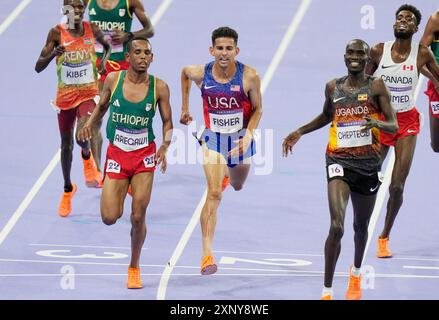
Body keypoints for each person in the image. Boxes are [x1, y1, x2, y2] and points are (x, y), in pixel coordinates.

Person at [283, 39, 398, 300]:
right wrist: (299, 131)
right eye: (350, 52)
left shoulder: (377, 86)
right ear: (344, 56)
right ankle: (327, 291)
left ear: (367, 57)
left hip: (368, 165)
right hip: (338, 161)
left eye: (360, 53)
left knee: (360, 227)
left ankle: (356, 272)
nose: (355, 57)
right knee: (337, 226)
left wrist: (376, 124)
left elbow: (394, 125)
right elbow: (327, 116)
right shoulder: (332, 87)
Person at [78, 37, 173, 288]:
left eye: (147, 53)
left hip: (144, 157)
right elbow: (102, 106)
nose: (143, 56)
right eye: (138, 52)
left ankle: (134, 266)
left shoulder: (160, 87)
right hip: (118, 155)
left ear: (152, 58)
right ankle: (124, 188)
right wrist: (89, 124)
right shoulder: (114, 79)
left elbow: (167, 123)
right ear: (127, 58)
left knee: (138, 216)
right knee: (110, 217)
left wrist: (165, 145)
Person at [180, 26, 263, 275]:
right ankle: (207, 254)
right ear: (211, 50)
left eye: (229, 49)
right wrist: (185, 107)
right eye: (219, 48)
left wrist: (248, 135)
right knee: (214, 193)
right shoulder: (201, 73)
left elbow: (258, 110)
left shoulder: (249, 76)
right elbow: (184, 73)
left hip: (240, 140)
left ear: (236, 50)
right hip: (213, 139)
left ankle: (228, 176)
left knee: (237, 184)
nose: (224, 53)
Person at [367, 4, 439, 258]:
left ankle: (384, 237)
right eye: (399, 18)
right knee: (369, 180)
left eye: (409, 19)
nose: (403, 21)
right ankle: (361, 223)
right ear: (394, 24)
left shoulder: (422, 54)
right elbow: (363, 85)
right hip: (381, 120)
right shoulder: (377, 51)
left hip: (407, 122)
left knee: (397, 186)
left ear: (416, 28)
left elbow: (437, 78)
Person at [35, 0, 110, 217]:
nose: (77, 10)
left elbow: (106, 48)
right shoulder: (56, 33)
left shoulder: (91, 29)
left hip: (87, 94)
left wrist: (102, 62)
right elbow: (38, 66)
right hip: (65, 98)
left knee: (82, 134)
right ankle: (68, 189)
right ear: (64, 8)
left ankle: (86, 155)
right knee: (66, 146)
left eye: (80, 6)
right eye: (72, 6)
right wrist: (53, 54)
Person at [84, 0, 155, 180]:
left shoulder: (130, 2)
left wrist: (128, 35)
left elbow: (150, 30)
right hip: (96, 66)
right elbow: (70, 22)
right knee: (95, 116)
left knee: (123, 119)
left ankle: (130, 167)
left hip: (122, 67)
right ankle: (97, 170)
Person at [420, 11, 439, 152]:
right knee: (437, 144)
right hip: (438, 86)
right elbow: (419, 58)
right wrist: (435, 80)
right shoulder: (436, 19)